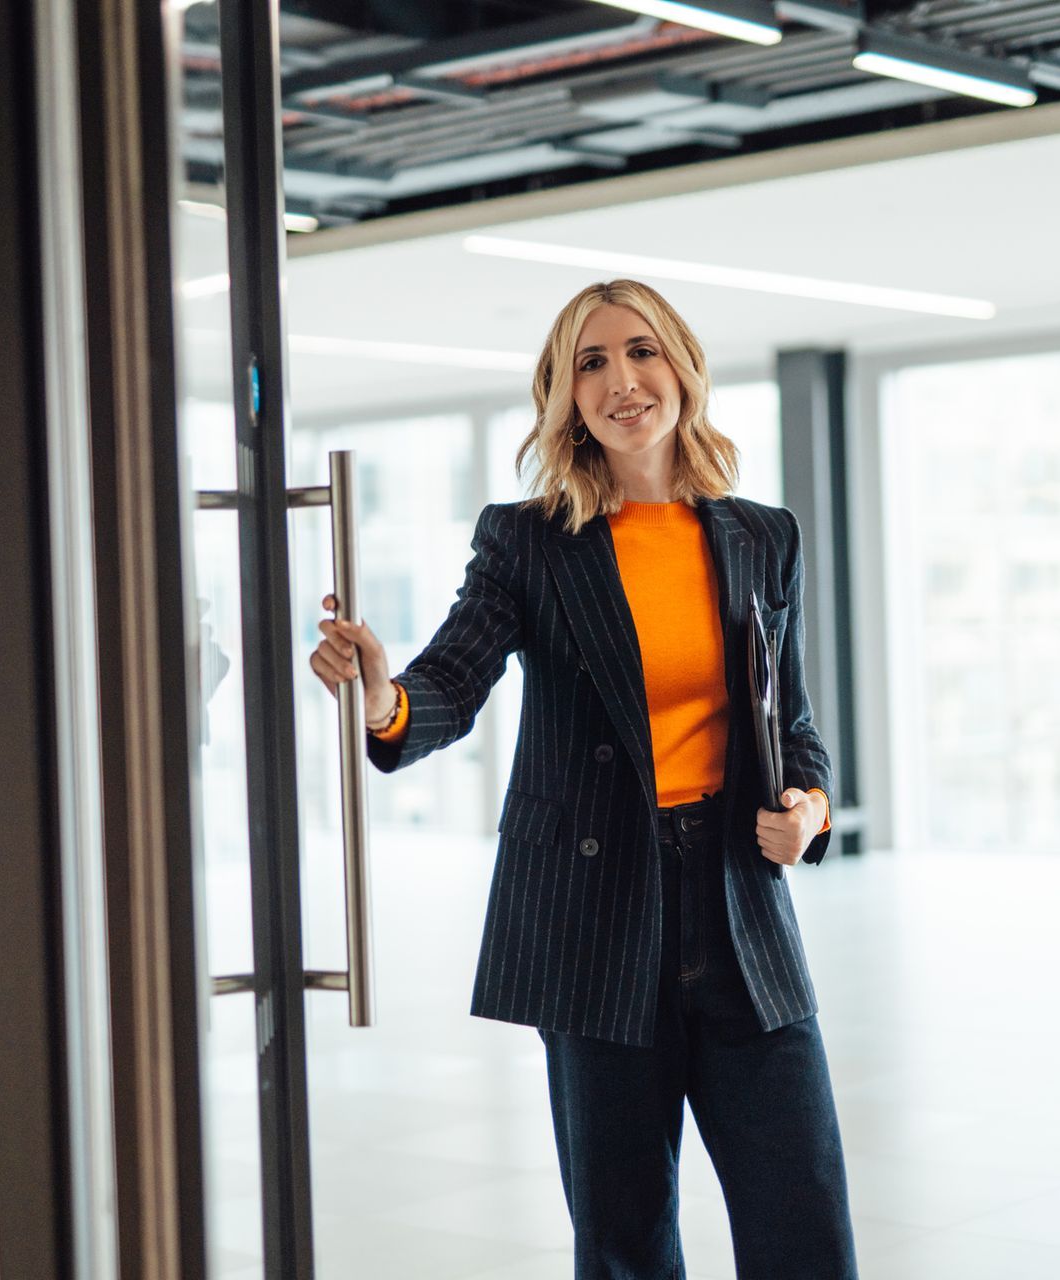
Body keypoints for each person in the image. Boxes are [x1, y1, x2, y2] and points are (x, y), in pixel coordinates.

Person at [308, 278, 857, 1279]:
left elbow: (796, 724)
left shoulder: (760, 536)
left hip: (739, 909)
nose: (621, 380)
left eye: (640, 351)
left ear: (681, 367)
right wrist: (385, 691)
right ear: (563, 396)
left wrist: (809, 808)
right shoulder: (526, 542)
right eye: (589, 363)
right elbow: (450, 680)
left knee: (805, 1220)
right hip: (596, 916)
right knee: (625, 1239)